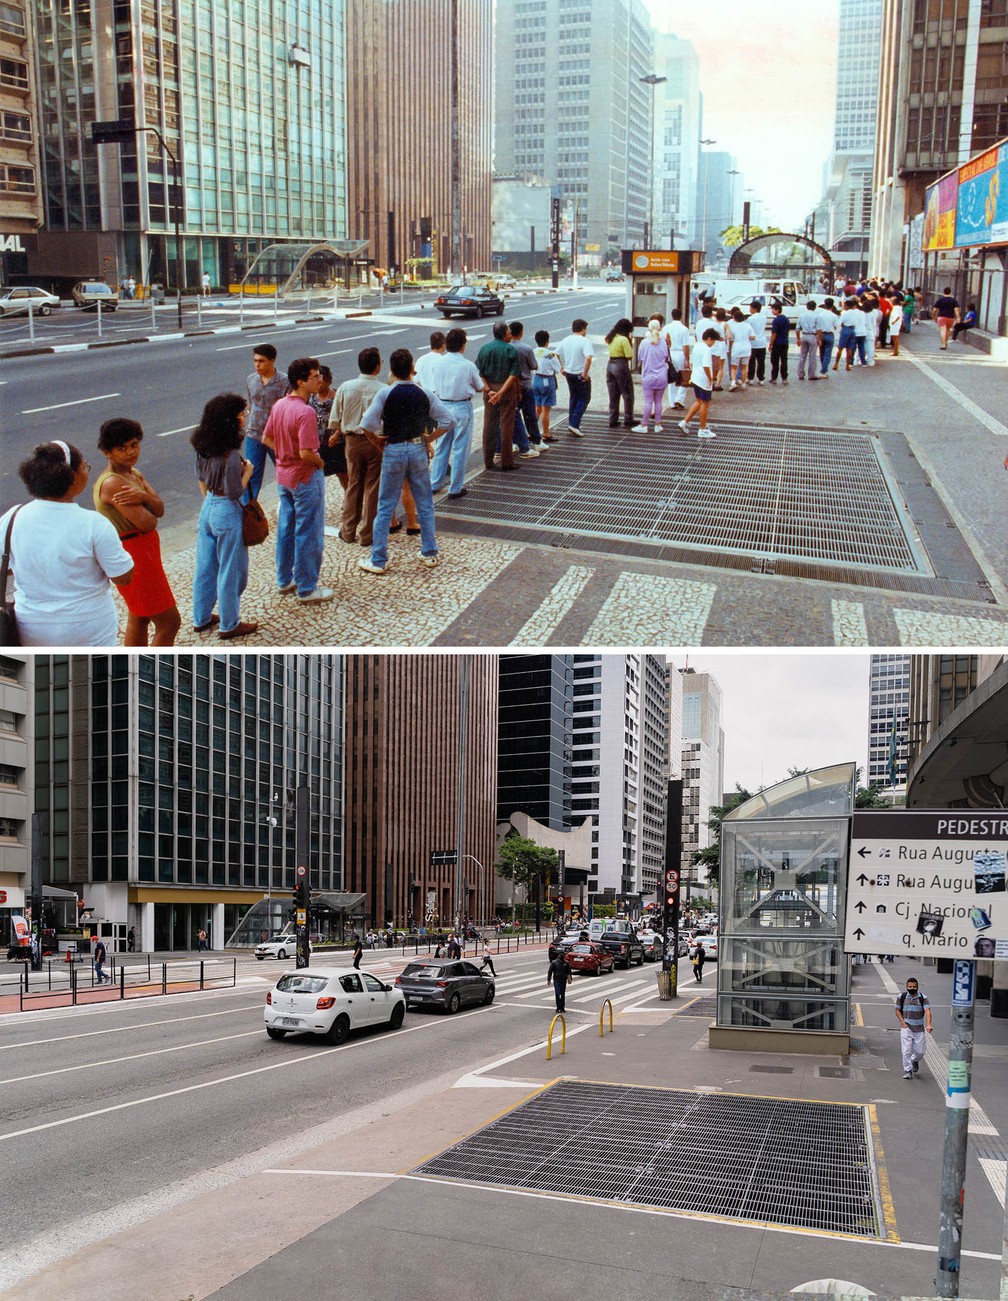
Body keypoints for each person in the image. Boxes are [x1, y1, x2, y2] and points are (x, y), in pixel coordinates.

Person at [0, 441, 134, 647]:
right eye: (84, 468)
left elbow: (5, 567)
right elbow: (123, 576)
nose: (86, 473)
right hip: (89, 628)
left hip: (31, 628)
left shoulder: (12, 518)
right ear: (71, 476)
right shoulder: (93, 523)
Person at [358, 348, 454, 574]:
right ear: (412, 369)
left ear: (391, 369)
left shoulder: (385, 393)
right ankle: (429, 552)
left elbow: (366, 424)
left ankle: (379, 559)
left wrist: (377, 441)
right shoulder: (424, 394)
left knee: (385, 505)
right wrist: (428, 437)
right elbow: (448, 420)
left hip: (394, 449)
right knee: (425, 502)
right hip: (417, 447)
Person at [94, 417, 180, 648]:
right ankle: (151, 673)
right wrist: (149, 501)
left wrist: (143, 497)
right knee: (169, 622)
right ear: (107, 452)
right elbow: (148, 523)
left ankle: (133, 667)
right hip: (135, 554)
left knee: (139, 616)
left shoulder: (134, 474)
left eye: (134, 445)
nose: (131, 452)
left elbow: (159, 508)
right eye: (122, 448)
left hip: (143, 551)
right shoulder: (113, 483)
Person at [262, 356, 334, 604]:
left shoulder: (280, 405)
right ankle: (307, 587)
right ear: (301, 382)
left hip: (284, 476)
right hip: (304, 478)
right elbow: (306, 453)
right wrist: (321, 463)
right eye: (315, 377)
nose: (319, 381)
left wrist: (283, 457)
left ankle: (284, 579)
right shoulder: (305, 412)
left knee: (286, 528)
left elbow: (266, 438)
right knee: (309, 532)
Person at [191, 393, 258, 640]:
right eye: (241, 414)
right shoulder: (230, 455)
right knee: (231, 569)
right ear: (230, 420)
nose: (244, 417)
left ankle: (202, 617)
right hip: (226, 510)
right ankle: (230, 623)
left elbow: (200, 478)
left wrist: (210, 504)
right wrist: (248, 472)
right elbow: (234, 492)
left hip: (208, 505)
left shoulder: (202, 446)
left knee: (206, 566)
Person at [332, 347, 387, 547]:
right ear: (378, 366)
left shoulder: (345, 387)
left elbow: (335, 419)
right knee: (372, 487)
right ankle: (367, 534)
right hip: (375, 441)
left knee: (353, 484)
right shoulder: (383, 389)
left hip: (352, 442)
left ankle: (348, 531)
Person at [428, 327, 485, 499]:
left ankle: (435, 483)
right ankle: (455, 488)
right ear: (462, 345)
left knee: (442, 447)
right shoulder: (468, 365)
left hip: (443, 406)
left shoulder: (437, 363)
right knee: (460, 448)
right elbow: (480, 387)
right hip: (461, 407)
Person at [243, 343, 288, 501]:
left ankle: (287, 506)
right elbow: (251, 403)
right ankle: (249, 515)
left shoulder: (284, 382)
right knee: (250, 476)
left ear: (272, 361)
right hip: (254, 435)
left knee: (284, 474)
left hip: (276, 437)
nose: (257, 364)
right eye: (255, 360)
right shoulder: (251, 379)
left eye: (261, 361)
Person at [476, 321, 521, 471]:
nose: (510, 334)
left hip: (489, 392)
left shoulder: (484, 349)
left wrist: (489, 391)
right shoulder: (510, 349)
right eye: (508, 332)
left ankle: (488, 462)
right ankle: (506, 461)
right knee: (506, 426)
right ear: (504, 334)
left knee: (489, 425)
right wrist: (501, 392)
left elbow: (479, 373)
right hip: (506, 391)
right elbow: (513, 375)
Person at [309, 365, 345, 518]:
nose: (318, 383)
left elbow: (345, 418)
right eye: (316, 379)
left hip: (336, 442)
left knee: (343, 474)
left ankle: (349, 500)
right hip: (318, 444)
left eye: (321, 379)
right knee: (316, 475)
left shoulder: (336, 396)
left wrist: (337, 434)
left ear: (328, 380)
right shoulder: (310, 398)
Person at [678, 327, 719, 439]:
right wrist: (710, 379)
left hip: (695, 377)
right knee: (705, 404)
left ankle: (685, 422)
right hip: (703, 379)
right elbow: (706, 366)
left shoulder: (697, 346)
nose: (713, 343)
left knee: (699, 401)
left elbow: (692, 361)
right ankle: (702, 428)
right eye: (714, 341)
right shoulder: (706, 349)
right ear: (709, 339)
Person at [556, 318, 594, 436]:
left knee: (574, 397)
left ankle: (572, 421)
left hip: (569, 373)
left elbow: (556, 353)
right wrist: (585, 373)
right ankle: (574, 424)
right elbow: (588, 357)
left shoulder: (565, 340)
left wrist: (561, 368)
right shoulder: (584, 341)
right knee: (584, 398)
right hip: (579, 373)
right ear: (583, 329)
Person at [508, 321, 543, 450]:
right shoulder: (526, 348)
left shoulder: (507, 347)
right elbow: (534, 366)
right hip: (526, 385)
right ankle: (536, 441)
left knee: (514, 416)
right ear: (521, 332)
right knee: (530, 415)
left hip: (511, 386)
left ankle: (514, 441)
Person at [634, 317, 670, 430]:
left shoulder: (644, 343)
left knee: (648, 402)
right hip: (662, 376)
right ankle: (657, 425)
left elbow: (640, 359)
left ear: (648, 329)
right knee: (658, 401)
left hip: (649, 376)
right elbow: (666, 358)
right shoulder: (664, 343)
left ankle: (644, 425)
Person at [895, 976, 932, 1078]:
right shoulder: (901, 997)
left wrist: (928, 1024)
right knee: (906, 1050)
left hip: (919, 1028)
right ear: (906, 986)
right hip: (906, 1028)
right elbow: (897, 1010)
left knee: (920, 1051)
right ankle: (907, 1070)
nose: (912, 988)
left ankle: (914, 1060)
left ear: (917, 986)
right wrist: (902, 1022)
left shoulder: (923, 998)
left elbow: (927, 1011)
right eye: (910, 986)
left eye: (914, 986)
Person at [532, 329, 563, 441]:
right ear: (547, 342)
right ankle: (546, 433)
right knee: (546, 410)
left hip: (535, 380)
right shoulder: (550, 354)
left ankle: (532, 432)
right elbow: (558, 369)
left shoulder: (533, 352)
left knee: (537, 408)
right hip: (547, 380)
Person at [605, 317, 635, 429]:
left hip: (610, 365)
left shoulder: (611, 337)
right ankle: (628, 418)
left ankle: (613, 419)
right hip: (621, 364)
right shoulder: (623, 339)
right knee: (627, 393)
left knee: (613, 394)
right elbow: (629, 356)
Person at [664, 308, 692, 410]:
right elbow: (686, 346)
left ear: (672, 316)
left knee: (671, 377)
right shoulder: (684, 329)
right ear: (681, 316)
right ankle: (679, 398)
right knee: (684, 377)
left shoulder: (666, 328)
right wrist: (688, 359)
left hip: (669, 353)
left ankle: (672, 402)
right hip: (680, 353)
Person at [726, 308, 755, 390]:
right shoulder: (748, 326)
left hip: (736, 347)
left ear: (734, 318)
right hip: (746, 347)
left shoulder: (733, 326)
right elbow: (753, 337)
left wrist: (730, 349)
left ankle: (733, 382)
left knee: (734, 366)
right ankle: (743, 383)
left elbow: (730, 338)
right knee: (744, 366)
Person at [795, 300, 821, 382]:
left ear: (807, 307)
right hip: (812, 336)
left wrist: (798, 339)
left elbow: (797, 329)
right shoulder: (816, 316)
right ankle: (811, 374)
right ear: (815, 307)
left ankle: (800, 374)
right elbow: (819, 329)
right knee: (812, 356)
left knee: (802, 356)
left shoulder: (802, 316)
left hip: (804, 335)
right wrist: (819, 339)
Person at [768, 302, 790, 384]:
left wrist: (770, 344)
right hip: (785, 342)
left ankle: (774, 378)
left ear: (777, 310)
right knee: (784, 360)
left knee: (775, 361)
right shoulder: (786, 319)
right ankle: (784, 378)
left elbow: (774, 333)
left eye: (773, 309)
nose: (772, 311)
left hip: (777, 343)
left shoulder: (776, 320)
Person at [747, 301, 768, 384]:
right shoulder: (764, 317)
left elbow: (748, 330)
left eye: (750, 308)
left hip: (753, 343)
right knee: (761, 362)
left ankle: (751, 378)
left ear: (754, 308)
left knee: (752, 362)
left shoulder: (750, 318)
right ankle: (761, 378)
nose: (750, 310)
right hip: (762, 342)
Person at [816, 298, 838, 375]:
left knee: (821, 352)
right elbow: (836, 326)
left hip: (821, 334)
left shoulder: (820, 315)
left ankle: (823, 367)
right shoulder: (834, 316)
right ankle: (824, 369)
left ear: (824, 305)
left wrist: (818, 338)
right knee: (828, 353)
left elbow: (817, 327)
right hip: (830, 335)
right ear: (832, 305)